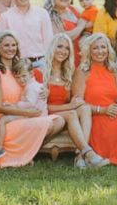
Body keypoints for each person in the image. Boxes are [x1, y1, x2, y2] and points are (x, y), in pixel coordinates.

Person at [0, 32, 64, 169]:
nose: (10, 48)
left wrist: (45, 91)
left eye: (13, 45)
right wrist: (28, 113)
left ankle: (29, 153)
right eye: (6, 45)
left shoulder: (19, 68)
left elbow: (33, 86)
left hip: (22, 114)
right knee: (49, 124)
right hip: (5, 117)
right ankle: (13, 154)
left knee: (59, 121)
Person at [44, 32, 105, 169]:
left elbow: (74, 100)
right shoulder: (39, 73)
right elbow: (40, 108)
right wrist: (70, 106)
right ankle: (88, 153)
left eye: (67, 48)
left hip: (65, 115)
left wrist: (77, 102)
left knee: (85, 108)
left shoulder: (69, 72)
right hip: (47, 115)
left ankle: (79, 156)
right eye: (59, 46)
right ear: (52, 48)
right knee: (72, 113)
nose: (63, 51)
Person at [77, 32, 117, 164]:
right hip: (94, 115)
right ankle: (99, 155)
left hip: (114, 111)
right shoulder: (82, 71)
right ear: (89, 51)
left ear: (108, 50)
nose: (100, 51)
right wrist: (102, 110)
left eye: (103, 47)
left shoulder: (112, 69)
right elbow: (78, 102)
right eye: (95, 48)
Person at [0, 0, 53, 69]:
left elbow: (49, 41)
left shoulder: (42, 13)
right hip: (17, 64)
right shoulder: (5, 17)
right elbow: (0, 43)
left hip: (40, 63)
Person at [44, 0, 86, 64]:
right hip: (65, 59)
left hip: (83, 56)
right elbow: (62, 38)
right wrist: (80, 27)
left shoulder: (75, 9)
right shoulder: (49, 15)